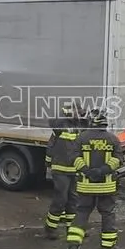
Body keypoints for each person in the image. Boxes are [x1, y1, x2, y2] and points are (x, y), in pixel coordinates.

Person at [66, 109, 124, 249]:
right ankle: (107, 248)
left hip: (85, 185)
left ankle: (74, 243)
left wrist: (87, 171)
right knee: (107, 214)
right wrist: (102, 171)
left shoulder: (81, 138)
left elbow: (74, 158)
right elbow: (118, 160)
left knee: (82, 212)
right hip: (107, 186)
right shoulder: (113, 139)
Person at [43, 102, 85, 240]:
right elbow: (52, 124)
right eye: (77, 112)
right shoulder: (61, 125)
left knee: (73, 200)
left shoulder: (79, 126)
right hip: (60, 169)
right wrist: (48, 163)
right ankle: (50, 229)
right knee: (61, 199)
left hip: (74, 169)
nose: (79, 114)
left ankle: (71, 229)